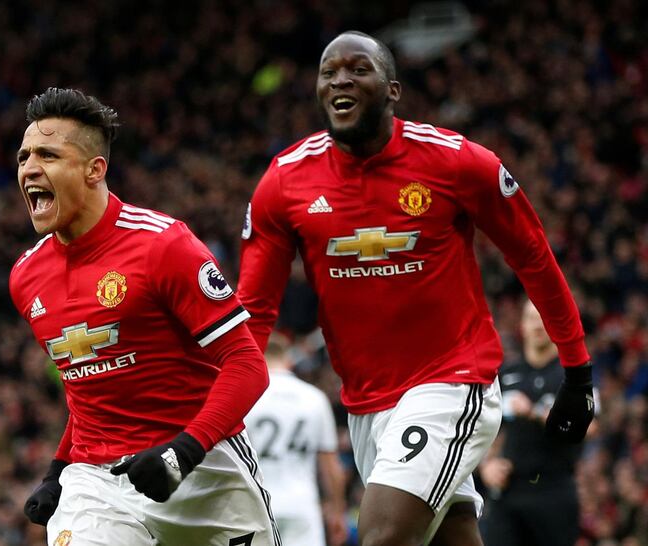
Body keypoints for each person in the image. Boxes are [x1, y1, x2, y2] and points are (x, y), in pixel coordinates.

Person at [237, 31, 595, 546]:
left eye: (358, 69)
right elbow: (254, 313)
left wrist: (577, 370)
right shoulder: (286, 182)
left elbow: (533, 256)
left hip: (452, 382)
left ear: (392, 90)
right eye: (328, 71)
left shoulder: (455, 162)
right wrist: (216, 413)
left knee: (382, 536)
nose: (340, 79)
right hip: (366, 404)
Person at [10, 87, 280, 546]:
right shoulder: (26, 276)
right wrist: (59, 469)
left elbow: (248, 366)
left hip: (205, 469)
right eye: (23, 156)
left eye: (49, 155)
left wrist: (183, 451)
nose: (30, 168)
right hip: (98, 483)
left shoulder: (162, 245)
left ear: (95, 170)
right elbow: (90, 389)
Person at [478, 300, 592, 546]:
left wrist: (537, 414)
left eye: (544, 317)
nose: (537, 324)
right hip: (511, 489)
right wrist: (486, 465)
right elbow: (484, 429)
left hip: (555, 489)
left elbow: (591, 427)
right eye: (531, 317)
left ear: (555, 324)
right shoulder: (506, 374)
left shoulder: (574, 375)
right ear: (522, 325)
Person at [244, 331, 348, 546]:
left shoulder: (246, 396)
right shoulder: (314, 398)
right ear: (288, 359)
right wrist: (338, 512)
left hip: (255, 504)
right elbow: (331, 466)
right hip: (302, 505)